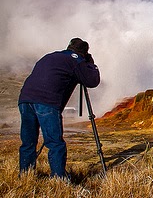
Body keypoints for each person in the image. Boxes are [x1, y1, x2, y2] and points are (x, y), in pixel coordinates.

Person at [18, 38, 100, 179]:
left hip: (25, 100)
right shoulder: (76, 61)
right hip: (46, 102)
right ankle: (59, 177)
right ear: (84, 53)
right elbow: (92, 81)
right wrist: (90, 64)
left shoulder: (50, 56)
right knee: (55, 143)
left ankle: (25, 175)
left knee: (28, 141)